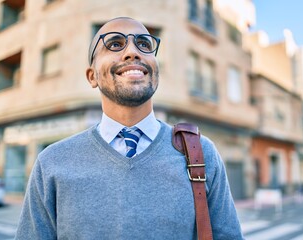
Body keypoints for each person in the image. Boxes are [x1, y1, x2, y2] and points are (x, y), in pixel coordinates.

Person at [15, 17, 244, 239]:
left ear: (155, 69)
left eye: (144, 44)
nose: (133, 51)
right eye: (114, 44)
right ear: (92, 76)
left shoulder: (201, 153)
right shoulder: (52, 162)